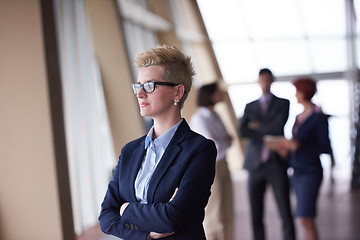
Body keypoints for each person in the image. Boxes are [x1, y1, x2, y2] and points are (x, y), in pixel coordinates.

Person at [98, 45, 217, 240]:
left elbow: (173, 217)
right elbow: (106, 217)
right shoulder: (130, 151)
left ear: (177, 92)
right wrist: (148, 235)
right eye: (138, 86)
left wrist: (126, 208)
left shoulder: (199, 149)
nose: (140, 94)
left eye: (149, 86)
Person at [238, 68, 296, 240]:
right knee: (256, 214)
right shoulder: (250, 106)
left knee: (285, 211)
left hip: (276, 163)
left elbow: (278, 127)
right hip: (254, 164)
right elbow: (242, 131)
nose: (264, 83)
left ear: (272, 81)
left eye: (267, 80)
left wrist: (256, 126)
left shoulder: (284, 103)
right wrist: (265, 129)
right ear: (258, 81)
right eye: (262, 80)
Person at [277, 77, 332, 240]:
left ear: (304, 92)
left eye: (297, 91)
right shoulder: (299, 117)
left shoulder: (318, 117)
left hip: (310, 171)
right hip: (297, 170)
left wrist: (300, 146)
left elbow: (324, 146)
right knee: (304, 218)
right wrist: (286, 149)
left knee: (305, 218)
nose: (295, 95)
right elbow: (297, 144)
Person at [190, 82, 234, 240]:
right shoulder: (199, 118)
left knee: (227, 210)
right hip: (210, 166)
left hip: (223, 163)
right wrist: (223, 139)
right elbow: (213, 144)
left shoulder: (215, 115)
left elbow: (229, 141)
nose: (221, 94)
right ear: (210, 95)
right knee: (214, 211)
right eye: (218, 92)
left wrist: (222, 140)